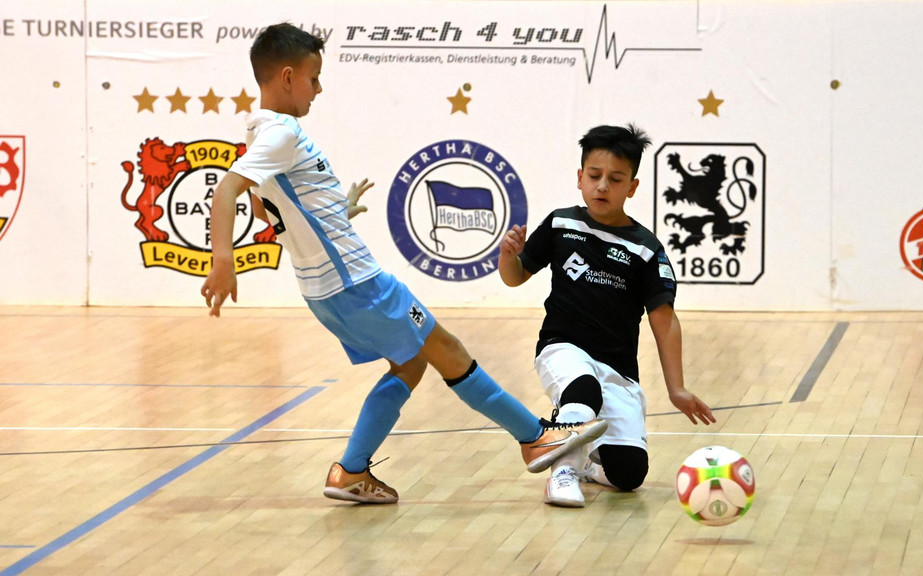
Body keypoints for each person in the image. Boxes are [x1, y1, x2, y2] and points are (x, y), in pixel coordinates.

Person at [201, 23, 607, 505]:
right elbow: (227, 191)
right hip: (357, 282)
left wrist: (337, 211)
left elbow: (267, 209)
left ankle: (351, 472)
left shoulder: (257, 132)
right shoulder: (282, 132)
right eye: (314, 78)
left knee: (411, 362)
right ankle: (535, 437)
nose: (319, 88)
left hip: (325, 290)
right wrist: (222, 260)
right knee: (446, 348)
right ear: (287, 77)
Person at [497, 124, 716, 508]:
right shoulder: (561, 224)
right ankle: (562, 472)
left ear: (632, 187)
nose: (602, 186)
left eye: (615, 179)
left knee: (628, 475)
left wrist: (677, 388)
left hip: (618, 368)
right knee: (583, 390)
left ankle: (587, 465)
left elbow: (664, 318)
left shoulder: (646, 248)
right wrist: (507, 257)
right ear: (579, 177)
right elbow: (515, 277)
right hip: (562, 348)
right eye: (594, 176)